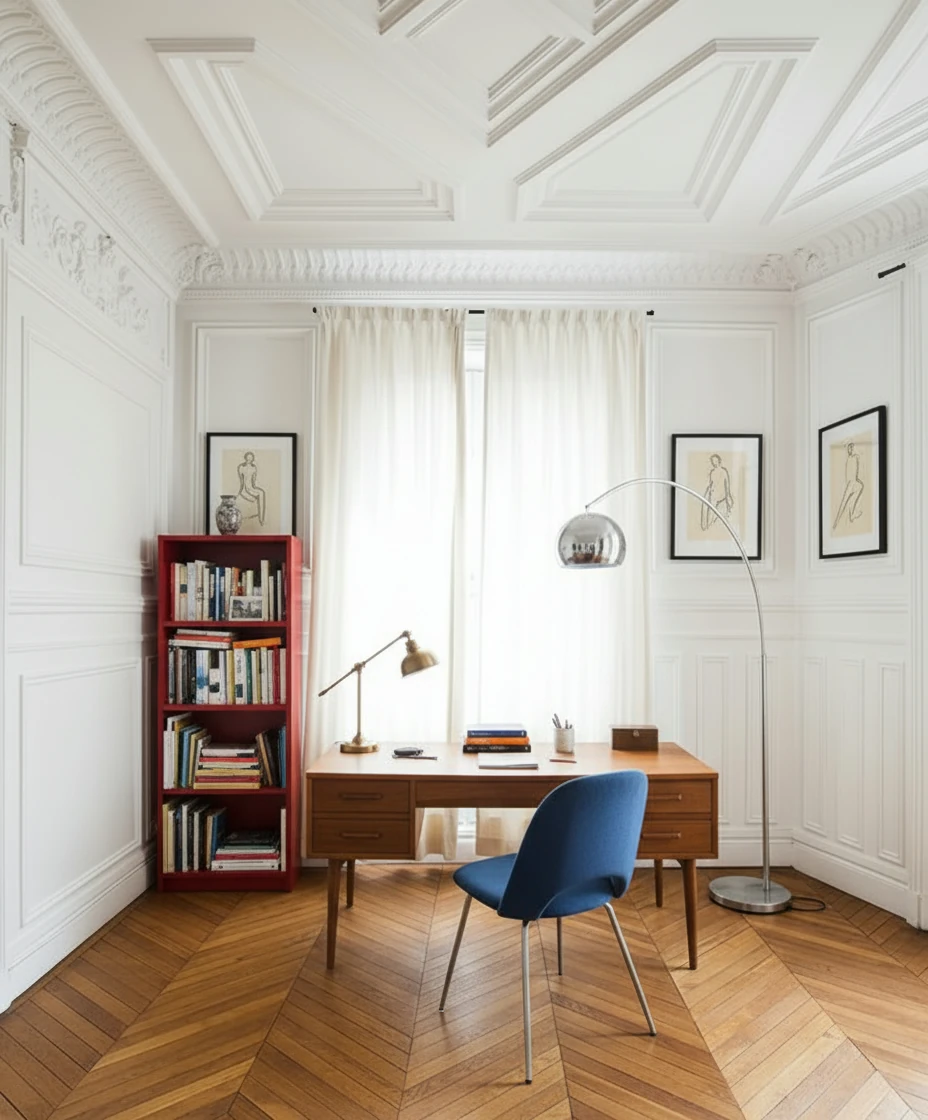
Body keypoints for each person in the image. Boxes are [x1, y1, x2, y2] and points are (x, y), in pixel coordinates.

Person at [832, 442, 864, 530]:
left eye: (851, 448)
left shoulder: (855, 457)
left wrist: (856, 480)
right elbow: (851, 473)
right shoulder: (850, 458)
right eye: (849, 448)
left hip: (853, 482)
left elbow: (855, 471)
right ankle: (836, 523)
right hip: (850, 484)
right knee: (843, 503)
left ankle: (852, 514)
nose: (850, 450)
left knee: (860, 486)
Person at [700, 453, 733, 531]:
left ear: (719, 461)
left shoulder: (724, 472)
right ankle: (707, 529)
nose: (714, 462)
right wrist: (708, 491)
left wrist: (728, 497)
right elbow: (711, 484)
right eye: (712, 461)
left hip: (721, 498)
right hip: (713, 497)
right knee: (710, 517)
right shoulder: (712, 472)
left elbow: (727, 486)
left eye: (715, 460)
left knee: (721, 519)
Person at [237, 451, 267, 526]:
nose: (249, 459)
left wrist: (254, 488)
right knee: (259, 494)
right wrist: (240, 491)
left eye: (251, 458)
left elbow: (253, 482)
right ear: (245, 458)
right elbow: (241, 482)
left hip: (251, 487)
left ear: (252, 459)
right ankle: (261, 520)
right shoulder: (241, 467)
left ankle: (261, 518)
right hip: (245, 488)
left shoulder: (254, 468)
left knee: (262, 493)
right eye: (248, 458)